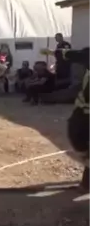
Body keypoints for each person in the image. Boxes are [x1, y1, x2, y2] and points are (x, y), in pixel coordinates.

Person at [41, 47, 90, 189]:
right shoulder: (87, 55)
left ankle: (87, 183)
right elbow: (72, 54)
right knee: (77, 138)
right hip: (82, 113)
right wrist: (54, 52)